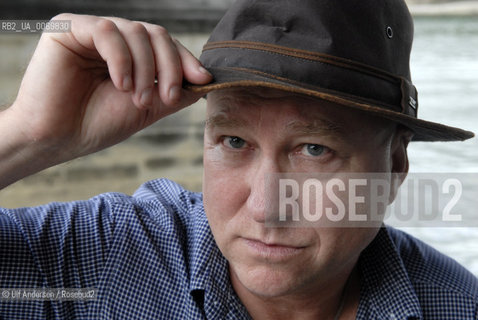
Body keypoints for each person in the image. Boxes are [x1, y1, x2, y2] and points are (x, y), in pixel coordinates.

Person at [0, 0, 477, 319]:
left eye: (315, 149)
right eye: (233, 142)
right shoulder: (104, 258)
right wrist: (28, 134)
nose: (266, 208)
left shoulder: (456, 307)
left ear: (395, 168)